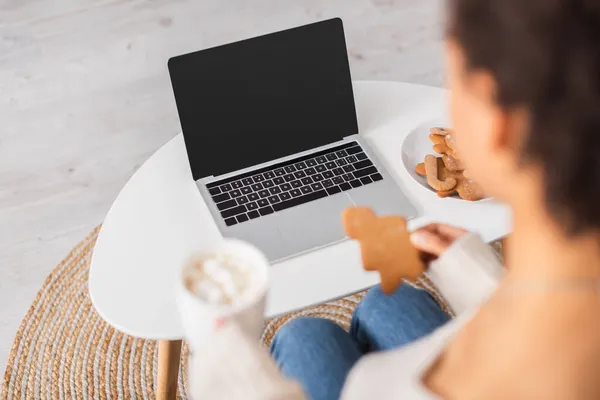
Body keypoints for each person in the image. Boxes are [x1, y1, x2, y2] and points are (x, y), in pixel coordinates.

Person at [190, 0, 600, 398]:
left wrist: (221, 354)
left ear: (499, 121)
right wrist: (475, 276)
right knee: (389, 301)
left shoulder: (380, 388)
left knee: (303, 335)